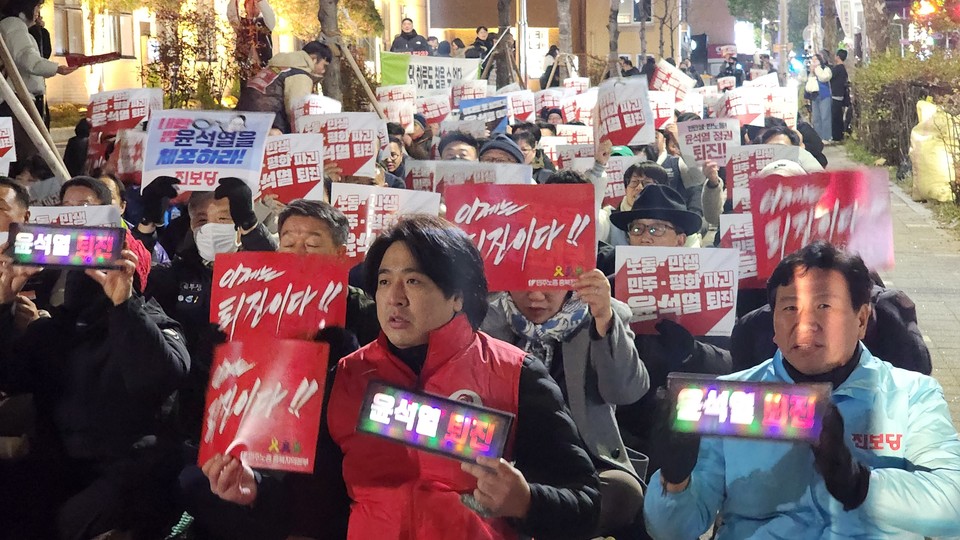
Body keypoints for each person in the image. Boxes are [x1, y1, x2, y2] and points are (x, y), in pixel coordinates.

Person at [644, 242, 960, 539]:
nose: (806, 324)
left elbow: (952, 508)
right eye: (790, 309)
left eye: (824, 305)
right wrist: (674, 481)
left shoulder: (911, 394)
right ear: (773, 325)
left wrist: (856, 483)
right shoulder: (728, 401)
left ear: (861, 318)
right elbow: (672, 531)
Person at [180, 199, 380, 540]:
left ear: (340, 253)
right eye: (288, 242)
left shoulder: (363, 309)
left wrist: (346, 356)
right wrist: (210, 353)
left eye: (313, 244)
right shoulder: (248, 299)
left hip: (323, 454)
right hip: (252, 439)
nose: (298, 251)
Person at [0, 236, 189, 539]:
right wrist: (3, 306)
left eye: (99, 269)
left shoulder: (157, 324)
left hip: (133, 470)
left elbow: (158, 378)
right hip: (57, 464)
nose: (84, 277)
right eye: (77, 269)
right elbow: (8, 376)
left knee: (68, 522)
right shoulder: (52, 332)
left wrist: (124, 306)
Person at [482, 268, 649, 535]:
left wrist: (605, 321)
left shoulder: (601, 312)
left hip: (584, 465)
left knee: (622, 492)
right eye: (523, 282)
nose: (536, 295)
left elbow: (627, 392)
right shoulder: (483, 315)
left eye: (548, 283)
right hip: (505, 459)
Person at [607, 185, 732, 480]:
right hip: (621, 426)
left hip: (685, 429)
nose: (644, 237)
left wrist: (692, 350)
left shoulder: (709, 283)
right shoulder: (607, 289)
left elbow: (729, 363)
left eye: (656, 229)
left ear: (679, 239)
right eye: (637, 229)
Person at [144, 177, 277, 440]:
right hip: (189, 401)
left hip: (250, 398)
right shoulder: (177, 273)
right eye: (202, 220)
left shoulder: (258, 271)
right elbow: (136, 278)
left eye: (224, 219)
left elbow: (281, 273)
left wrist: (252, 225)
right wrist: (147, 223)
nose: (212, 228)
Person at [0, 0, 77, 163]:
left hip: (14, 99)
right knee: (24, 153)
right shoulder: (14, 25)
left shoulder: (14, 27)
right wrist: (57, 68)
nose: (38, 12)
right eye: (37, 7)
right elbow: (26, 57)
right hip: (16, 99)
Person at [235, 41, 332, 134]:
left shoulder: (275, 68)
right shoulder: (299, 75)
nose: (323, 71)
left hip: (240, 122)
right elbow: (297, 111)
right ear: (313, 59)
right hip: (270, 128)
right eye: (324, 65)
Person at [227, 0, 276, 82]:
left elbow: (270, 15)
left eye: (256, 4)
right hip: (245, 69)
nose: (254, 6)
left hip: (263, 67)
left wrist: (261, 2)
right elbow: (231, 15)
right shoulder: (240, 24)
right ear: (245, 6)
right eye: (251, 4)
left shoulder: (265, 24)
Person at [806, 53, 833, 142]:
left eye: (815, 60)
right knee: (816, 118)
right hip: (814, 96)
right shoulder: (811, 72)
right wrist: (811, 72)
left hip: (824, 95)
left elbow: (824, 78)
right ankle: (818, 137)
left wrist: (817, 69)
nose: (813, 62)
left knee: (825, 117)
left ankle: (827, 137)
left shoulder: (825, 69)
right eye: (812, 60)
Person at [831, 49, 850, 143]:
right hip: (841, 95)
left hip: (835, 95)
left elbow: (830, 78)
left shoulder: (837, 69)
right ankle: (840, 135)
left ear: (838, 57)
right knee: (838, 116)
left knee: (835, 117)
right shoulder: (843, 69)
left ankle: (836, 136)